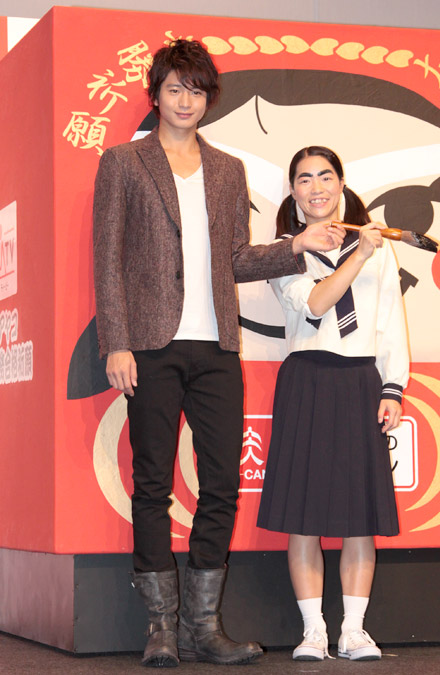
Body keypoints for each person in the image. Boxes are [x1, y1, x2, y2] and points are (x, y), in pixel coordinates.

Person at [93, 41, 345, 668]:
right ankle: (161, 628)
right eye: (175, 89)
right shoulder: (123, 162)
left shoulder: (228, 169)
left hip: (216, 349)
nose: (186, 101)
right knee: (152, 482)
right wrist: (116, 341)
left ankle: (203, 628)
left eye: (197, 91)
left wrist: (297, 246)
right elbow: (108, 258)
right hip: (150, 345)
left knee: (222, 483)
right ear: (156, 95)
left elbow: (236, 259)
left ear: (209, 99)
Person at [257, 146, 409, 661]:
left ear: (341, 184)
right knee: (304, 514)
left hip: (360, 381)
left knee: (359, 516)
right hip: (307, 380)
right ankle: (314, 631)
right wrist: (358, 255)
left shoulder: (379, 249)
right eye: (304, 179)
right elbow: (317, 303)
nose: (316, 187)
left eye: (326, 176)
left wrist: (392, 387)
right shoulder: (284, 252)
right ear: (293, 191)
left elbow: (390, 321)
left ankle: (354, 631)